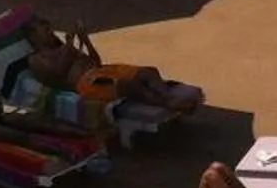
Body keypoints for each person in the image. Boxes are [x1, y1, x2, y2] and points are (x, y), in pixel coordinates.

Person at [21, 16, 202, 116]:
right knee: (125, 85)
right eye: (45, 30)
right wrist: (69, 45)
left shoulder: (61, 48)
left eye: (50, 28)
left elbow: (95, 61)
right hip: (86, 83)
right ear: (33, 37)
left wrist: (86, 41)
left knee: (148, 72)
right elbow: (58, 74)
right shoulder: (36, 59)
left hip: (100, 71)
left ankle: (166, 96)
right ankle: (170, 104)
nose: (51, 32)